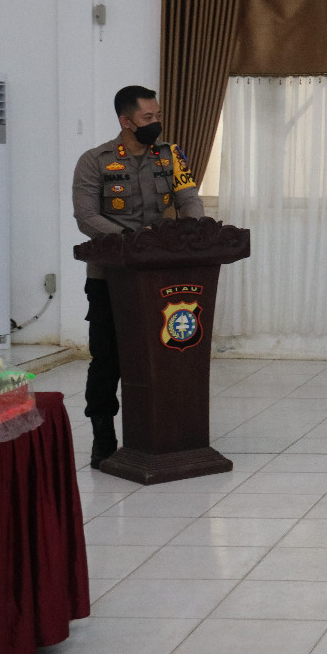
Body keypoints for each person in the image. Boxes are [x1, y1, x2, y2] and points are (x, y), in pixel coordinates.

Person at [72, 85, 204, 468]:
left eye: (157, 116)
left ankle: (165, 433)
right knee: (108, 358)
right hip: (111, 277)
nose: (155, 123)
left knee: (166, 355)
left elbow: (189, 199)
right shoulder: (94, 161)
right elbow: (86, 217)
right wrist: (132, 240)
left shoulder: (171, 155)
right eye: (148, 117)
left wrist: (192, 231)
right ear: (125, 121)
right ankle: (103, 437)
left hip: (162, 277)